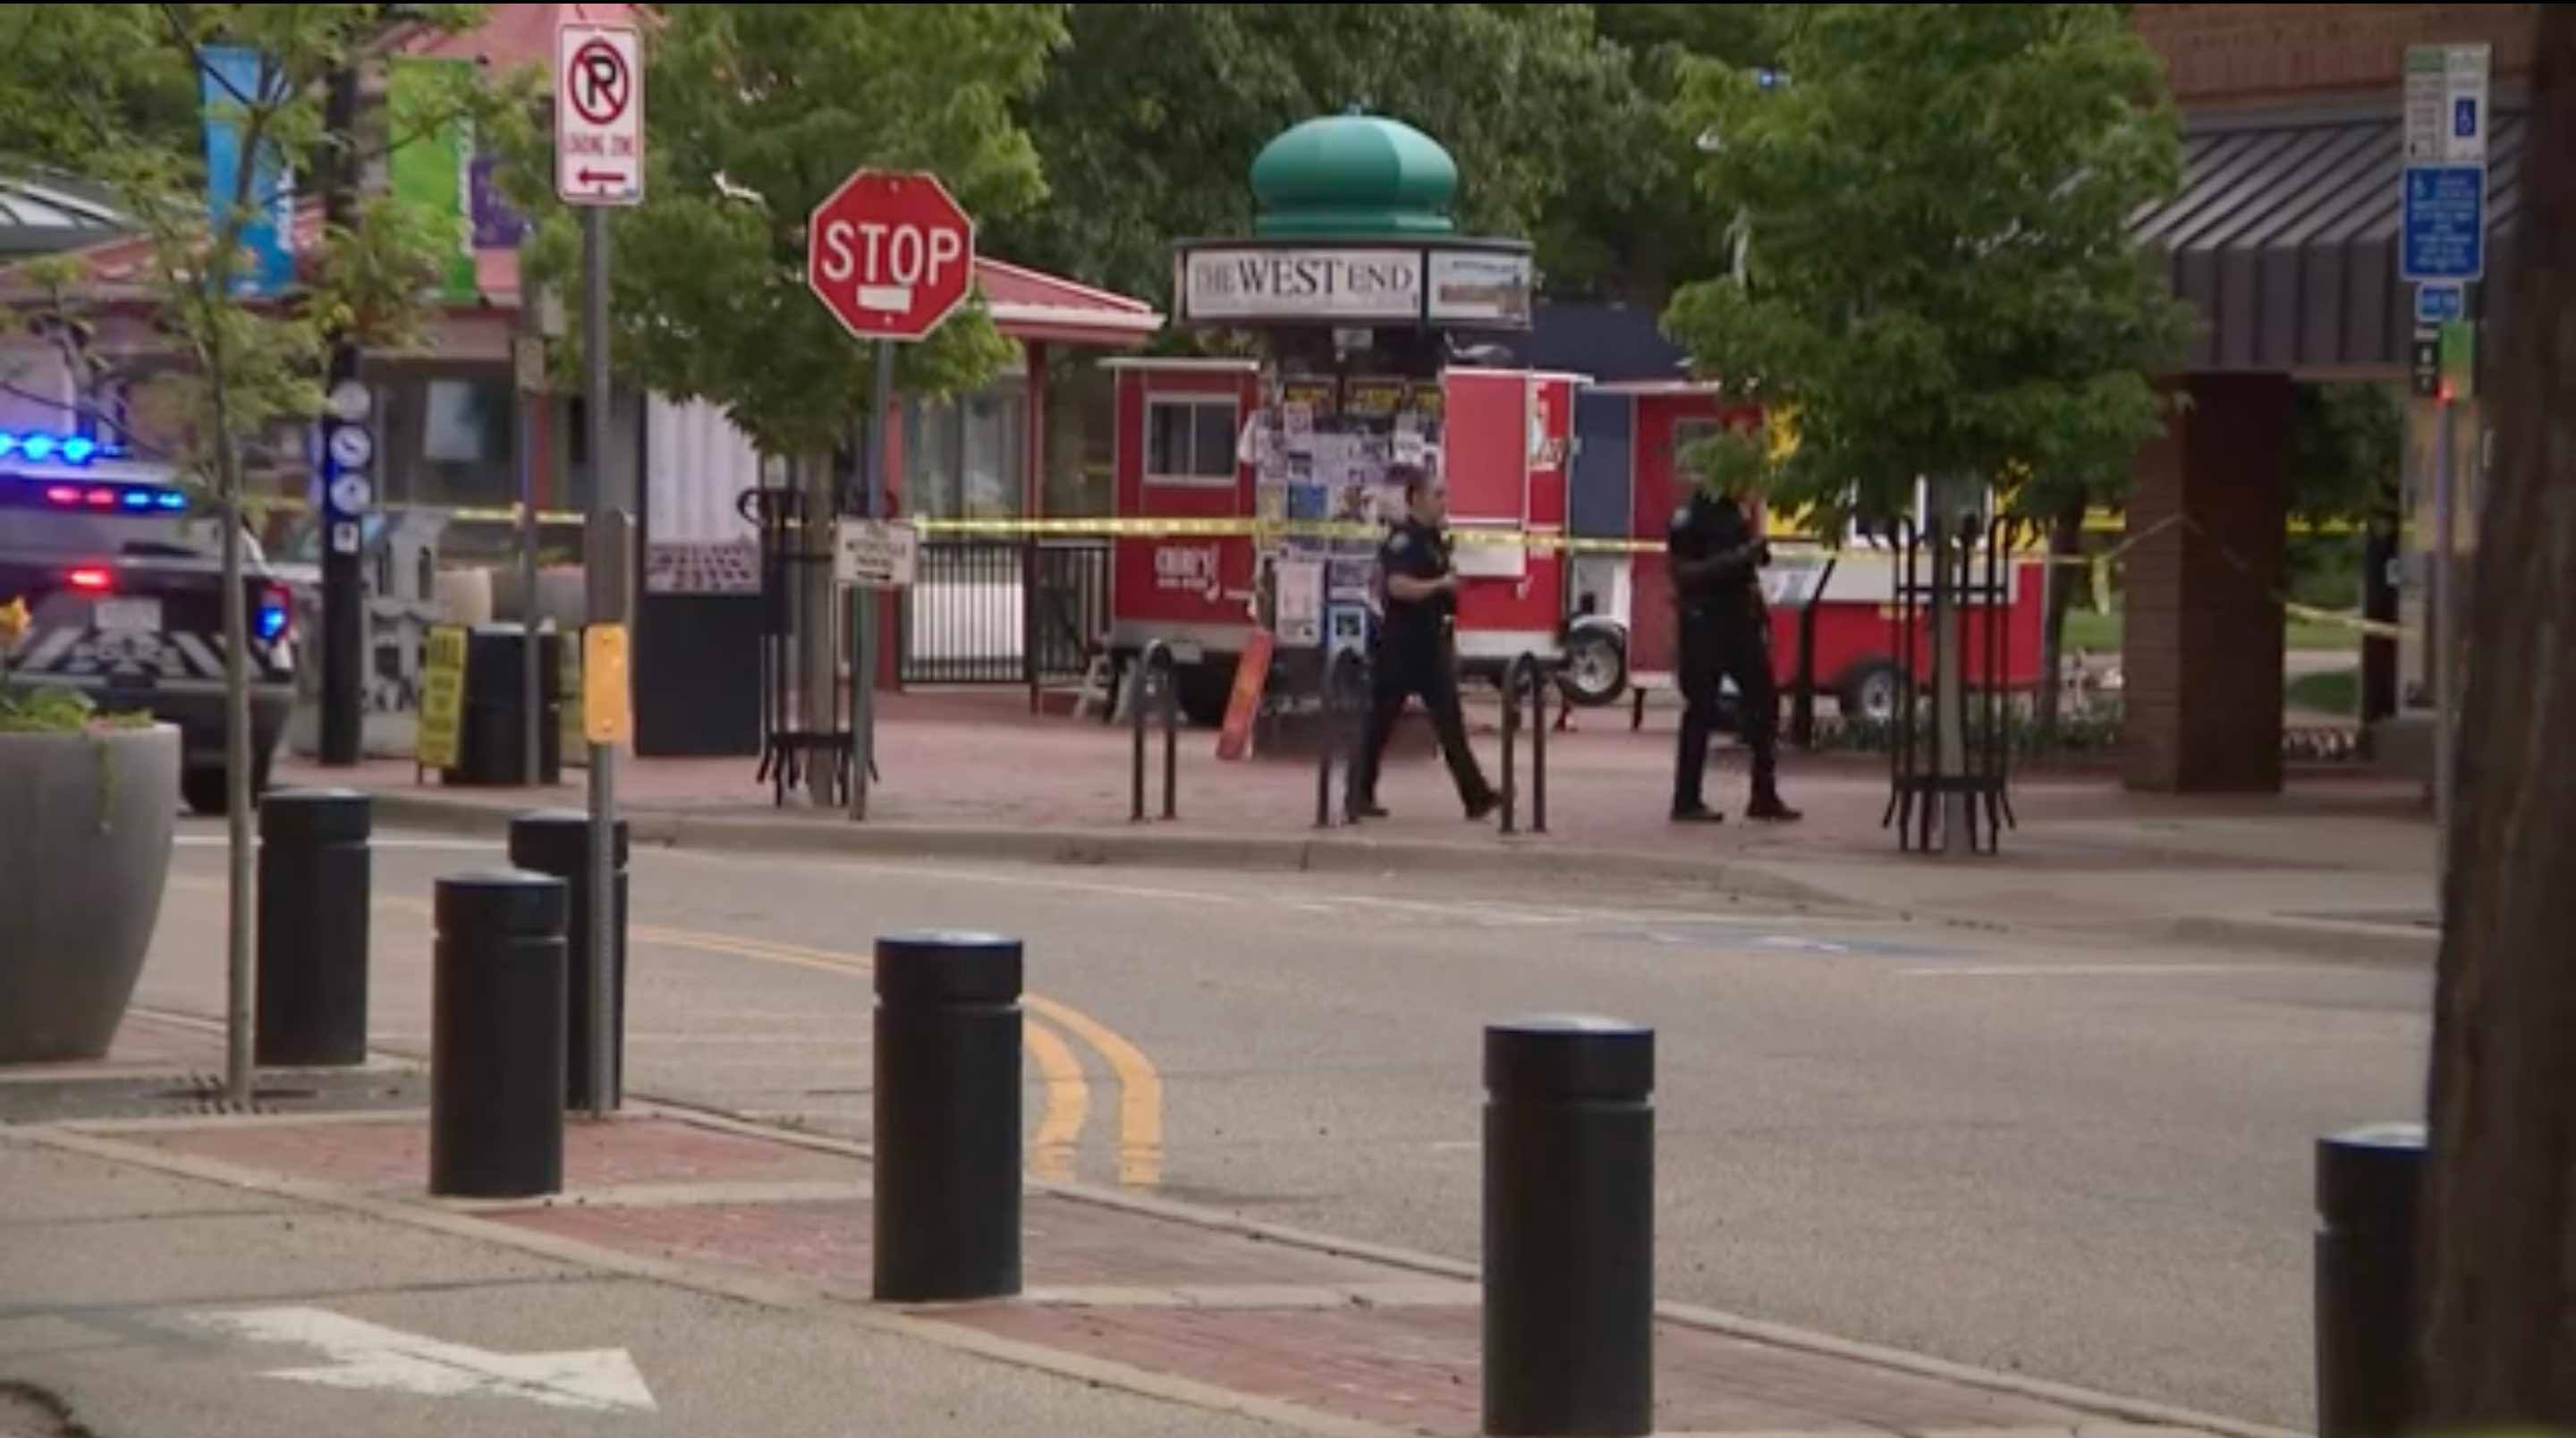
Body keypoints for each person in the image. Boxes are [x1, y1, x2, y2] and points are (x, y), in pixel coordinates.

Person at [1346, 467, 1499, 823]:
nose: (1444, 502)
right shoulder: (1404, 541)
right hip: (1401, 645)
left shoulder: (1434, 539)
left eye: (1446, 495)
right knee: (1379, 724)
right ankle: (1357, 794)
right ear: (1415, 499)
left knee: (1450, 724)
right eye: (1438, 495)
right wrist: (1441, 586)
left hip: (1432, 643)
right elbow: (1398, 586)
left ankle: (1476, 796)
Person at [1668, 485, 1801, 824]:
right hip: (1704, 623)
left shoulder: (1738, 513)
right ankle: (1686, 799)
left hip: (1739, 622)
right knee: (1701, 708)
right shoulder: (1691, 517)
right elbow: (1684, 574)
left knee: (1765, 700)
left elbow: (1747, 572)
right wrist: (1741, 557)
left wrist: (1754, 559)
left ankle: (1764, 793)